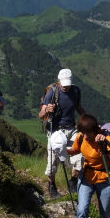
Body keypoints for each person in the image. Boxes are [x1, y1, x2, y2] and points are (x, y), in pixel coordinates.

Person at [39, 69, 86, 199]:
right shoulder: (52, 92)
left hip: (72, 129)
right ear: (58, 81)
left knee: (79, 156)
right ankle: (51, 186)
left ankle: (72, 183)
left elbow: (78, 107)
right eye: (63, 84)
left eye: (68, 84)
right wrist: (47, 110)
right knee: (53, 161)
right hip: (55, 131)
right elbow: (41, 114)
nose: (65, 86)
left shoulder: (75, 91)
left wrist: (89, 120)